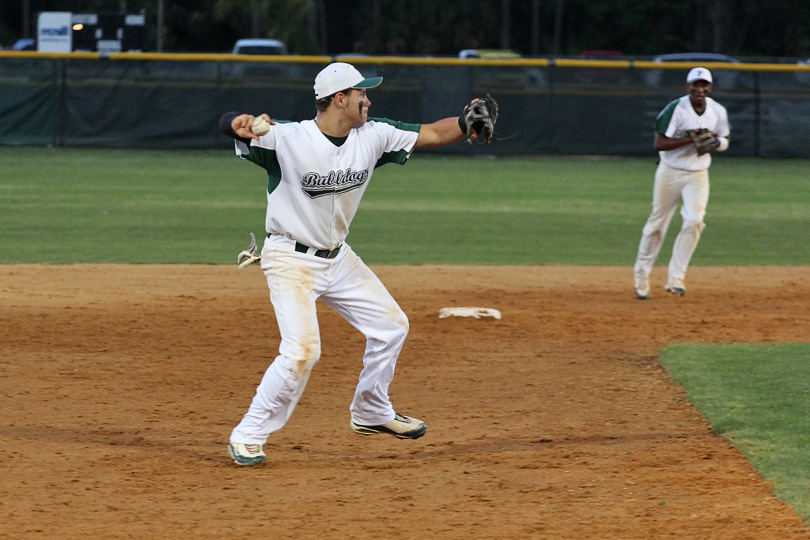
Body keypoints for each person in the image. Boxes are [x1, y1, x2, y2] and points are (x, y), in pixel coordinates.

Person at [219, 62, 493, 466]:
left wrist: (463, 121)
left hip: (339, 258)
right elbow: (231, 125)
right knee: (301, 352)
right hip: (290, 259)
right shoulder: (287, 138)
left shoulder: (374, 134)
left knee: (391, 326)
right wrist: (235, 121)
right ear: (339, 99)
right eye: (361, 93)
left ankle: (371, 411)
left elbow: (432, 133)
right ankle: (248, 434)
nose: (369, 98)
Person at [633, 67, 730, 299]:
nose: (699, 89)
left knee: (695, 221)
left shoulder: (717, 110)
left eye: (704, 85)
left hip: (698, 173)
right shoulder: (677, 109)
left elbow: (725, 140)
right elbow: (659, 144)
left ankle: (676, 277)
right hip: (670, 171)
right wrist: (690, 138)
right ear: (688, 87)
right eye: (695, 85)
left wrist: (715, 142)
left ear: (710, 88)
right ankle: (642, 275)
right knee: (657, 225)